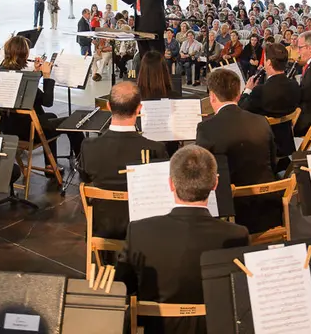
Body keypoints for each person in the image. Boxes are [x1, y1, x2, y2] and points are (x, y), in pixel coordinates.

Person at [115, 145, 249, 334]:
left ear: (171, 184)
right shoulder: (237, 235)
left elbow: (123, 284)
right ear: (215, 184)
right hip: (213, 326)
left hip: (157, 328)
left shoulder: (138, 231)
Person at [79, 82, 168, 240]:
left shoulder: (89, 146)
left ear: (108, 106)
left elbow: (85, 179)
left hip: (102, 226)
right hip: (142, 228)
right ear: (139, 108)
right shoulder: (156, 149)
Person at [196, 69, 277, 234]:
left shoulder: (206, 128)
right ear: (238, 95)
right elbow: (273, 162)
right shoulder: (261, 121)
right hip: (268, 206)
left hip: (233, 211)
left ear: (212, 96)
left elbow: (203, 174)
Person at [0, 36, 84, 172]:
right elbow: (47, 101)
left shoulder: (1, 72)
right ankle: (84, 164)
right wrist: (46, 75)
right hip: (28, 131)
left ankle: (51, 165)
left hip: (8, 127)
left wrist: (35, 73)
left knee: (51, 116)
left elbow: (30, 95)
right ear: (24, 54)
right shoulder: (22, 79)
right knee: (73, 123)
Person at [239, 43, 301, 162]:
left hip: (264, 146)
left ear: (268, 63)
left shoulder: (261, 91)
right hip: (286, 143)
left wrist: (247, 90)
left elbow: (242, 108)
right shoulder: (294, 85)